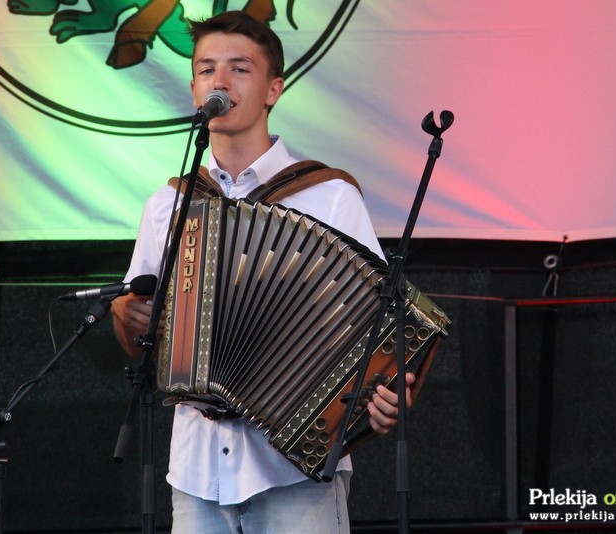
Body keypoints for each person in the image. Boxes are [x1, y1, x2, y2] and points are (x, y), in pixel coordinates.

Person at [111, 10, 415, 534]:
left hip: (297, 470)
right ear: (193, 89)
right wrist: (129, 316)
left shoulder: (328, 196)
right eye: (206, 69)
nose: (220, 81)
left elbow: (380, 325)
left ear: (274, 89)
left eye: (240, 69)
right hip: (196, 470)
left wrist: (389, 392)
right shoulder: (169, 204)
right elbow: (143, 335)